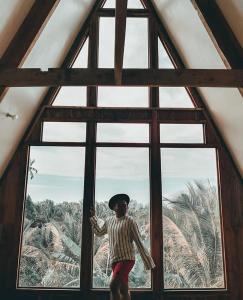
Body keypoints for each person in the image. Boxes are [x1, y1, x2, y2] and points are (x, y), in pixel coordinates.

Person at [90, 193, 155, 300]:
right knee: (124, 290)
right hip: (114, 260)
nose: (124, 207)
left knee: (113, 285)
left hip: (127, 259)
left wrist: (148, 262)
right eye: (121, 205)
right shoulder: (109, 221)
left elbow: (139, 242)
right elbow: (99, 232)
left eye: (125, 205)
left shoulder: (130, 221)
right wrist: (93, 217)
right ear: (114, 208)